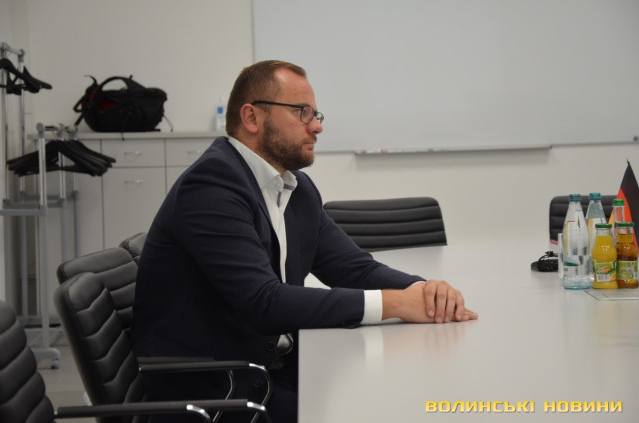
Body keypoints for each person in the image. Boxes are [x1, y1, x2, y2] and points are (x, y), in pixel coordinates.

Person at [131, 60, 478, 423]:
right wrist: (395, 303)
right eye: (302, 112)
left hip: (271, 368)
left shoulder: (295, 186)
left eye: (315, 113)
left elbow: (354, 268)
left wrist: (423, 291)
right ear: (252, 117)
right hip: (219, 391)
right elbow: (264, 301)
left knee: (393, 393)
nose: (317, 126)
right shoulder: (212, 185)